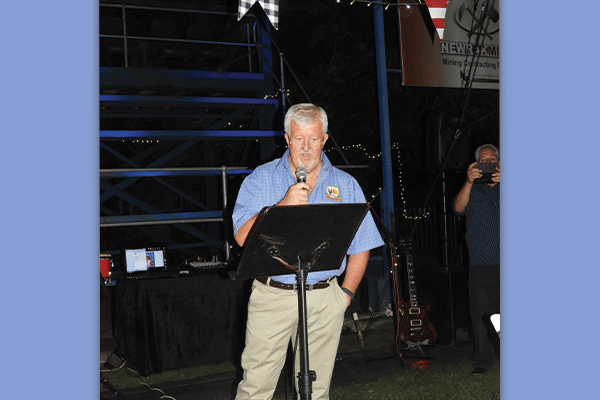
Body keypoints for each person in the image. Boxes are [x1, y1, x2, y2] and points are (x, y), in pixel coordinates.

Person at [232, 103, 384, 399]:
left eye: (313, 139)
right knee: (255, 388)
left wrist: (345, 295)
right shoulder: (261, 178)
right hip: (272, 296)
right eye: (299, 138)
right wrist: (281, 206)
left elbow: (362, 245)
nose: (305, 147)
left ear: (324, 139)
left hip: (324, 298)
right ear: (287, 138)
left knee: (315, 390)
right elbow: (240, 237)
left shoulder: (346, 184)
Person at [453, 144, 500, 376]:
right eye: (484, 158)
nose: (488, 161)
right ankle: (483, 361)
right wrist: (469, 181)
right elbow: (458, 208)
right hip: (482, 262)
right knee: (482, 314)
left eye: (492, 158)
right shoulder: (473, 189)